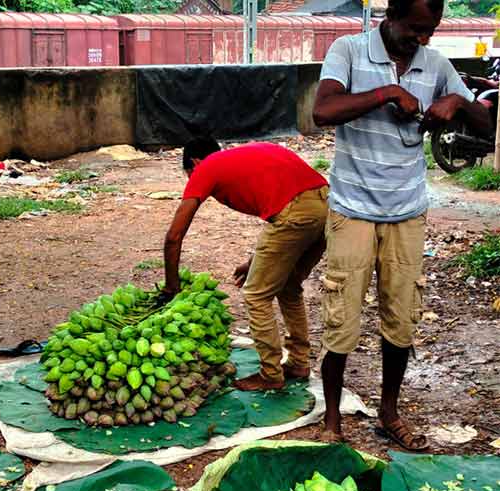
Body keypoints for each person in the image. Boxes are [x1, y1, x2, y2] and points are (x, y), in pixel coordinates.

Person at [313, 0, 491, 449]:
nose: (424, 38)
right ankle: (332, 420)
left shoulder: (435, 62)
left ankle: (389, 413)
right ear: (389, 16)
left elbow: (486, 123)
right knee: (341, 318)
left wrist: (456, 100)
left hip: (406, 212)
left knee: (401, 319)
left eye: (430, 29)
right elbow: (323, 110)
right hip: (352, 208)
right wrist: (386, 93)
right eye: (415, 28)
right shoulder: (348, 50)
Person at [161, 139, 330, 392]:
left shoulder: (206, 166)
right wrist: (253, 262)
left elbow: (174, 236)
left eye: (189, 176)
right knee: (289, 286)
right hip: (326, 204)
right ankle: (298, 362)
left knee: (256, 295)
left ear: (194, 163)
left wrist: (171, 287)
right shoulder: (247, 154)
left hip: (295, 214)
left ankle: (271, 374)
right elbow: (283, 207)